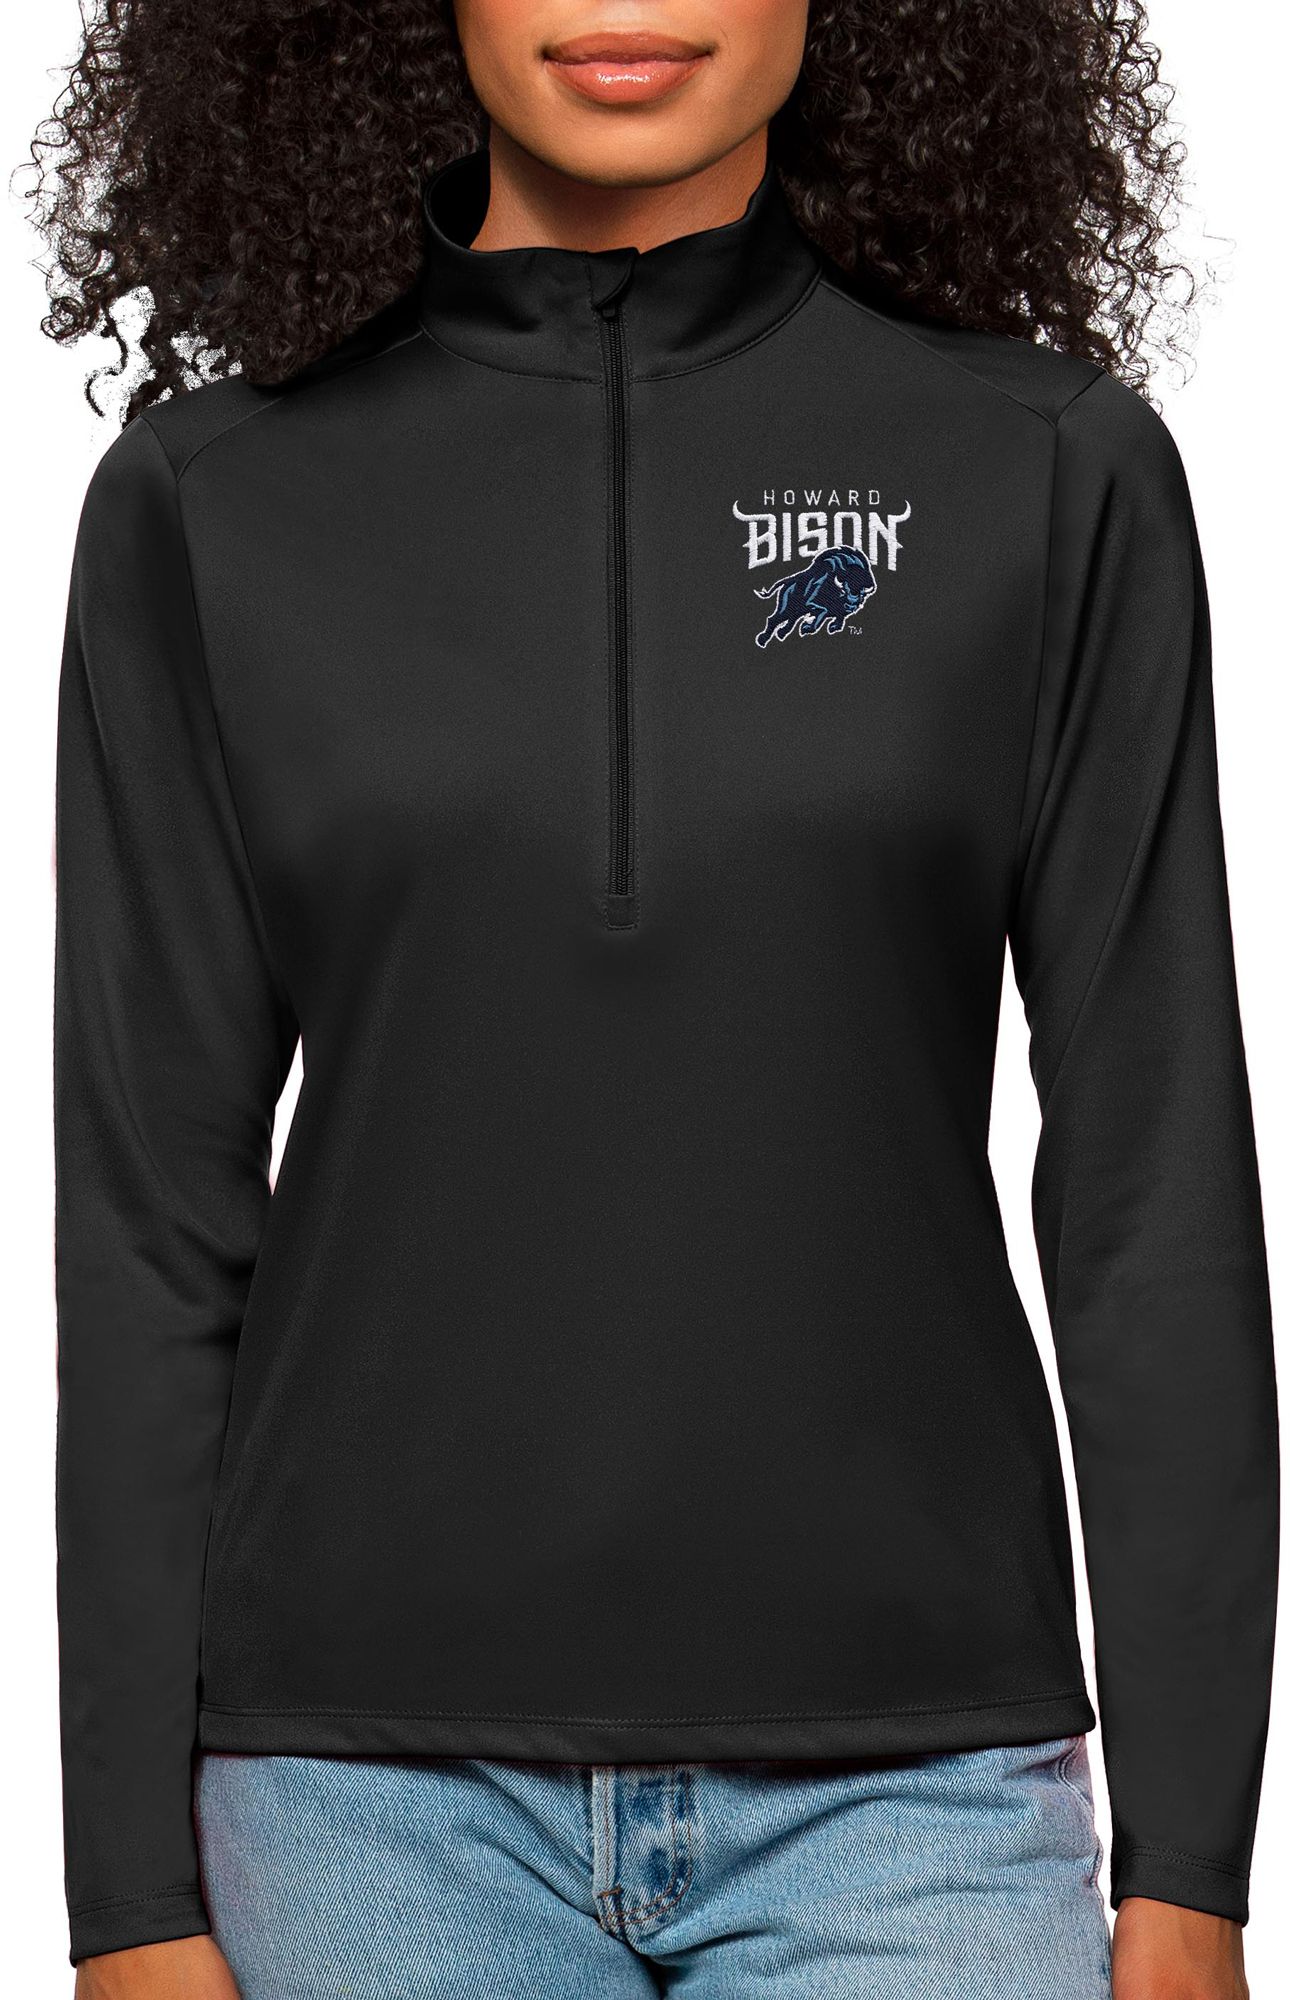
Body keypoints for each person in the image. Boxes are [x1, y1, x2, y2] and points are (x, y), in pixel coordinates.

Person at [34, 3, 1277, 1997]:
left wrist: (1194, 1871)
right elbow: (146, 1227)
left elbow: (1154, 1194)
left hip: (923, 1799)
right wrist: (126, 1897)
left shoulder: (1048, 472)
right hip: (357, 1809)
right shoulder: (211, 500)